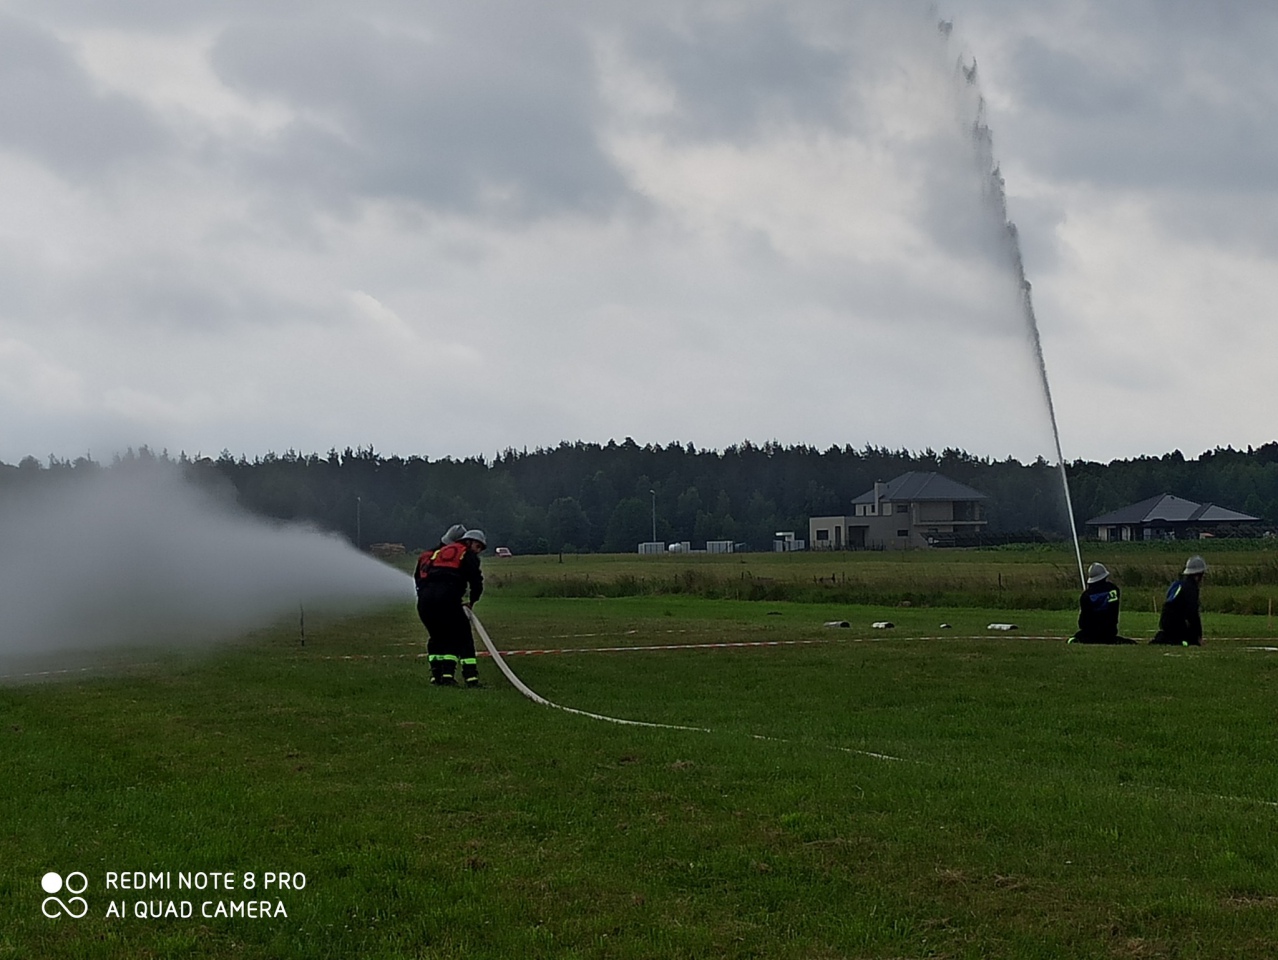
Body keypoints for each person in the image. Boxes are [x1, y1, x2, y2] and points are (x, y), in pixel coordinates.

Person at [414, 528, 486, 685]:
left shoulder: (438, 554)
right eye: (478, 546)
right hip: (446, 599)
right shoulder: (467, 554)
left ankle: (438, 675)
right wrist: (472, 601)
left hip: (425, 601)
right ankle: (469, 677)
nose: (478, 551)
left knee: (438, 637)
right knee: (462, 635)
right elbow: (476, 581)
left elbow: (421, 578)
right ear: (468, 542)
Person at [1069, 562, 1134, 644]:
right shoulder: (1113, 589)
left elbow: (1083, 622)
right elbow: (1113, 614)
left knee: (1078, 637)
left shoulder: (1086, 595)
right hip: (1109, 633)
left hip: (1090, 634)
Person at [1150, 555, 1207, 646]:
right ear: (1197, 575)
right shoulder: (1191, 588)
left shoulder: (1178, 584)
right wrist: (1198, 636)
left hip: (1165, 621)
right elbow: (1193, 614)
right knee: (1189, 641)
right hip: (1176, 623)